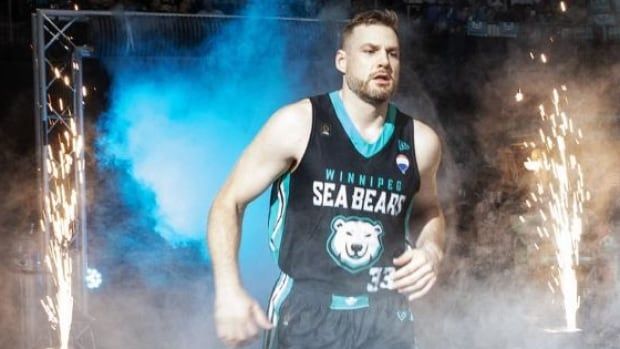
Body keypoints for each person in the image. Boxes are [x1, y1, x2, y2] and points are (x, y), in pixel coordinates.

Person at [207, 9, 445, 349]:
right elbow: (228, 202)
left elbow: (428, 211)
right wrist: (228, 290)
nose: (384, 62)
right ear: (341, 61)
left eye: (392, 53)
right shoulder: (297, 124)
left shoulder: (421, 142)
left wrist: (432, 250)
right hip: (307, 311)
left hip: (386, 314)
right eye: (369, 51)